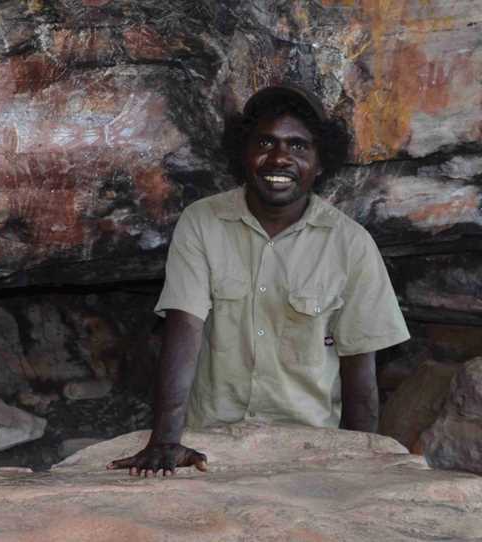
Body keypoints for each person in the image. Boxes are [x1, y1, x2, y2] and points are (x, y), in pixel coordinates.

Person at [107, 84, 410, 477]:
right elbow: (183, 329)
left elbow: (361, 377)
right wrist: (166, 438)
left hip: (309, 447)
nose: (280, 158)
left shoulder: (351, 244)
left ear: (320, 164)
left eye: (298, 146)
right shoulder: (202, 222)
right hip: (212, 442)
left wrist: (356, 468)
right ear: (243, 154)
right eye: (266, 143)